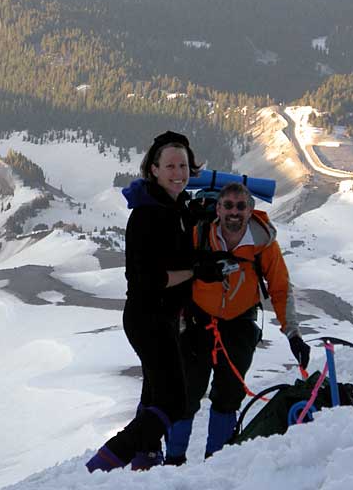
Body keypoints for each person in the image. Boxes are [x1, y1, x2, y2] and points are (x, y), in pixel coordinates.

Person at [86, 131, 225, 473]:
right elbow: (148, 278)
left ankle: (143, 460)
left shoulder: (170, 207)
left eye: (184, 165)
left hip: (161, 318)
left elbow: (177, 249)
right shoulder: (148, 215)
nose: (179, 172)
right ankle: (102, 465)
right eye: (170, 166)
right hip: (147, 318)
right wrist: (196, 270)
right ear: (154, 170)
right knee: (174, 400)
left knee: (156, 394)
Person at [164, 182, 311, 464]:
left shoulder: (263, 244)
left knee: (228, 396)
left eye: (241, 206)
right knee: (185, 395)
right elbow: (176, 274)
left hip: (240, 327)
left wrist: (293, 333)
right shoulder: (199, 235)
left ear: (251, 210)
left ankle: (216, 464)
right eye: (228, 205)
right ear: (217, 208)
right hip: (197, 324)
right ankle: (173, 462)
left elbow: (280, 288)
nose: (234, 212)